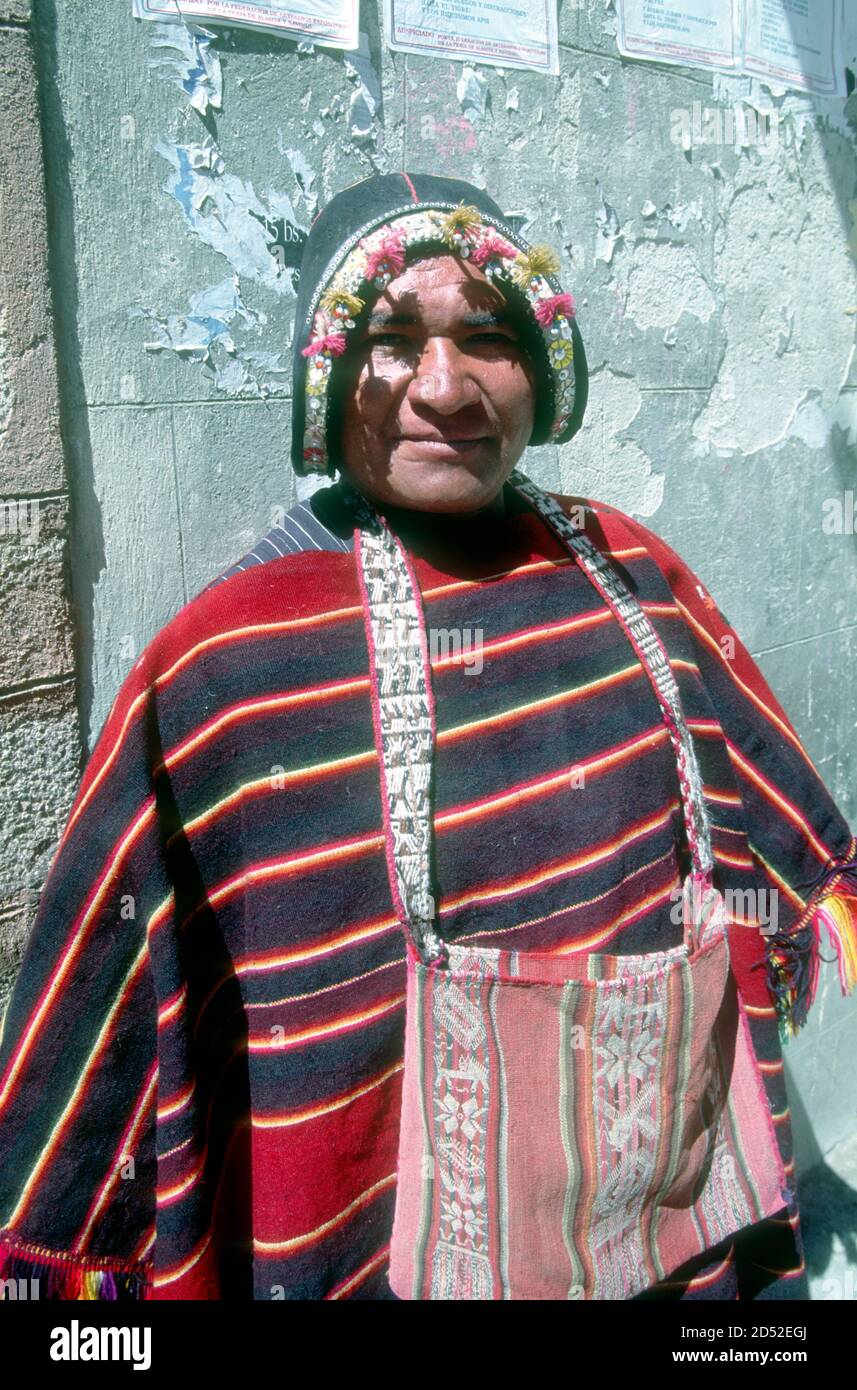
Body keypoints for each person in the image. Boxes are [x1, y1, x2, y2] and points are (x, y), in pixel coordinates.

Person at [0, 170, 855, 1301]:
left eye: (487, 338)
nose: (444, 388)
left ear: (541, 373)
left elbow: (765, 821)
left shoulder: (632, 576)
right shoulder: (231, 663)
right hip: (369, 1235)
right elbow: (113, 966)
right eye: (392, 340)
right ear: (324, 377)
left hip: (660, 1214)